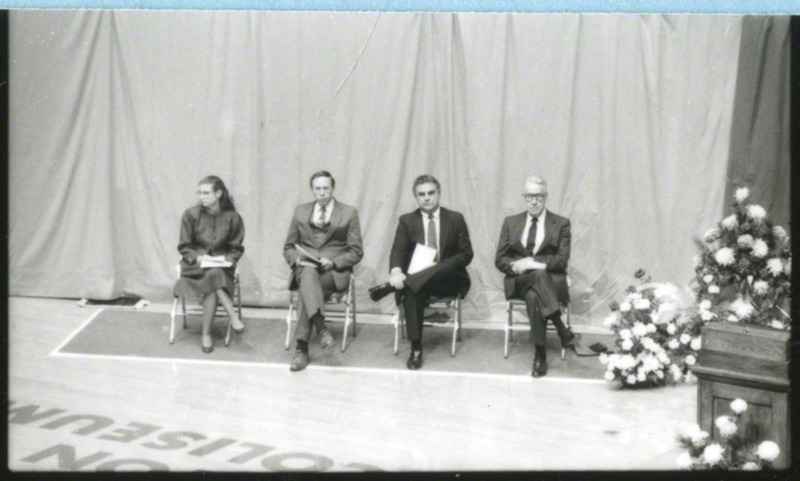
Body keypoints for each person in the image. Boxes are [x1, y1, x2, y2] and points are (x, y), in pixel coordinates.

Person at [369, 174, 473, 370]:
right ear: (416, 197)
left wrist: (441, 266)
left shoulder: (455, 219)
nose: (427, 198)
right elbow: (398, 250)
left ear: (439, 193)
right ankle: (416, 348)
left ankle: (395, 286)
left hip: (448, 280)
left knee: (443, 266)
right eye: (421, 194)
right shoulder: (407, 221)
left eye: (431, 193)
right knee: (411, 290)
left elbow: (466, 254)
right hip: (419, 282)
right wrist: (396, 271)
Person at [495, 176, 575, 377]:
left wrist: (531, 263)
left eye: (539, 196)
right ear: (524, 197)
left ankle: (540, 355)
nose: (534, 201)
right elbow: (500, 259)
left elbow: (561, 261)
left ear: (546, 197)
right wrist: (516, 267)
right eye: (530, 196)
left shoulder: (561, 224)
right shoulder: (511, 222)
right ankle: (560, 327)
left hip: (547, 284)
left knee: (534, 295)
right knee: (536, 280)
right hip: (518, 282)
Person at [283, 171, 363, 372]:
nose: (322, 192)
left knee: (306, 289)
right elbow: (288, 247)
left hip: (332, 274)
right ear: (312, 190)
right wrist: (297, 261)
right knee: (308, 274)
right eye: (317, 188)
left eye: (326, 188)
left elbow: (356, 251)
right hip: (305, 268)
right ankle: (321, 329)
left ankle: (302, 349)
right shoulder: (301, 211)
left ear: (333, 188)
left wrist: (334, 263)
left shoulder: (349, 212)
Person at [174, 175, 246, 353]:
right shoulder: (191, 215)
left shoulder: (233, 218)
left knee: (214, 275)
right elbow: (184, 246)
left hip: (221, 268)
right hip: (195, 267)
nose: (201, 197)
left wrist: (227, 261)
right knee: (213, 275)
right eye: (199, 193)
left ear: (218, 194)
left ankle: (206, 334)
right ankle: (233, 316)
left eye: (206, 193)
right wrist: (198, 257)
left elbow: (236, 249)